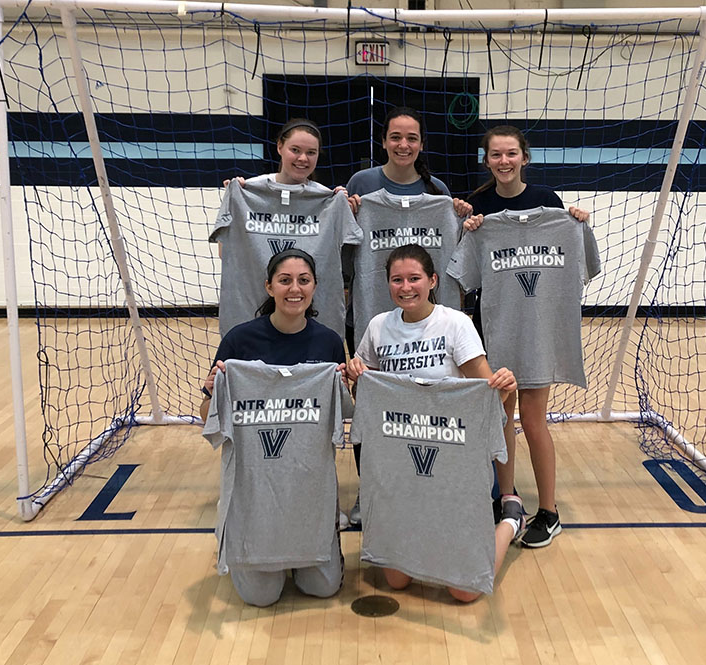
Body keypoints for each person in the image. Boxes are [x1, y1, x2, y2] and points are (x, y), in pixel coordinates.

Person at [343, 243, 522, 603]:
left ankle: (510, 519)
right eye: (397, 280)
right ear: (388, 284)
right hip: (400, 462)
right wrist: (356, 375)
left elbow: (485, 394)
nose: (406, 287)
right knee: (395, 580)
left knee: (465, 592)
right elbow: (366, 400)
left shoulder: (455, 324)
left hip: (451, 457)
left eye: (414, 278)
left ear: (433, 280)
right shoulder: (379, 327)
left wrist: (506, 388)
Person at [342, 106, 471, 525]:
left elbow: (455, 260)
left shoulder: (439, 195)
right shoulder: (362, 186)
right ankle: (370, 492)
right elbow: (340, 243)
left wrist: (465, 217)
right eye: (395, 137)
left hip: (428, 328)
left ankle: (428, 484)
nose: (403, 145)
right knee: (372, 411)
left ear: (421, 144)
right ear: (383, 142)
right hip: (375, 325)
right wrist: (347, 208)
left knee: (423, 413)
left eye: (411, 138)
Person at [463, 125, 590, 549]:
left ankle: (549, 511)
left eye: (511, 154)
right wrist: (470, 228)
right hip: (494, 327)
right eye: (496, 155)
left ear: (525, 157)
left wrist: (576, 224)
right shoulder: (478, 207)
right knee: (500, 417)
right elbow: (462, 275)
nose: (503, 161)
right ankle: (508, 499)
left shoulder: (550, 204)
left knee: (534, 420)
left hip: (537, 331)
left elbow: (584, 266)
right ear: (487, 160)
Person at [200, 249, 348, 607]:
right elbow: (209, 418)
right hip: (256, 491)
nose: (294, 289)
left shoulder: (328, 342)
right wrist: (211, 389)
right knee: (260, 596)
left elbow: (346, 416)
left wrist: (350, 383)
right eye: (284, 281)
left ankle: (321, 535)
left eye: (303, 280)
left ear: (314, 287)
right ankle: (241, 528)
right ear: (269, 287)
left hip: (308, 487)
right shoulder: (240, 342)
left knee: (323, 588)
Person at [214, 118, 361, 338]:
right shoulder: (247, 191)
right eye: (295, 150)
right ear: (279, 147)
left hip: (310, 319)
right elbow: (224, 253)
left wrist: (344, 207)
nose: (303, 158)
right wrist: (237, 199)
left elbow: (349, 258)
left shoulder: (329, 200)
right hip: (253, 318)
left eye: (311, 152)